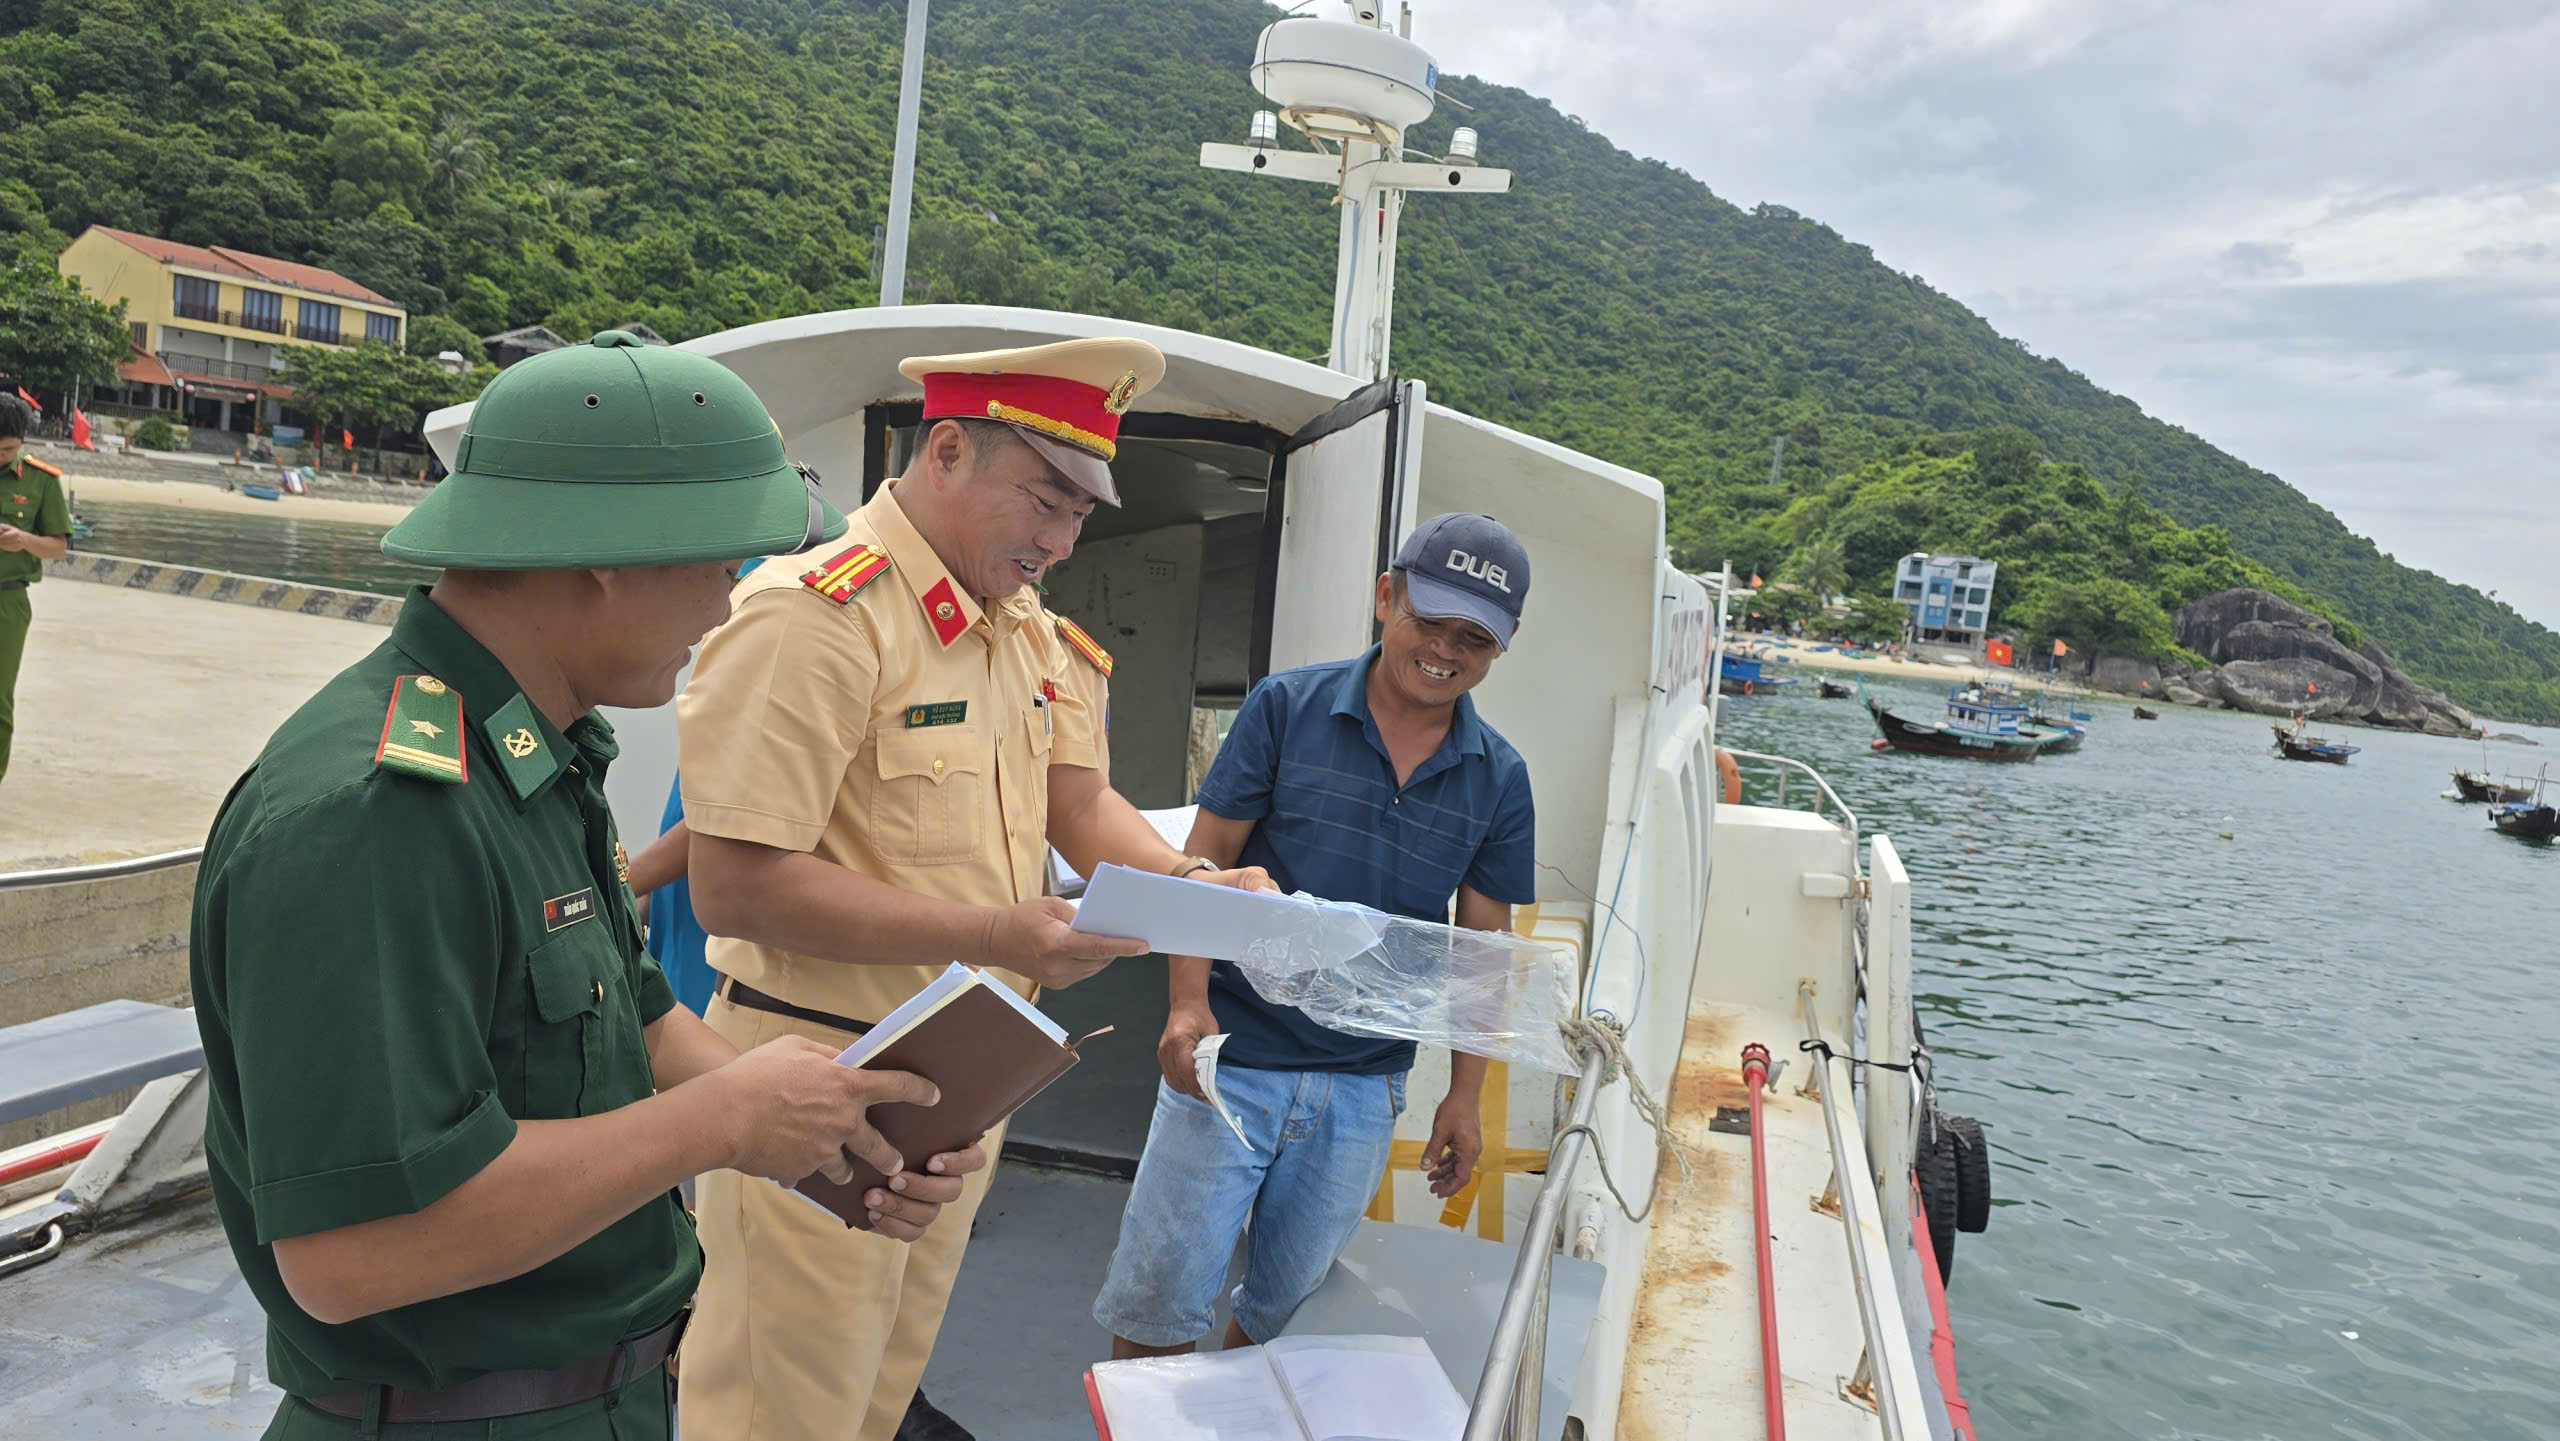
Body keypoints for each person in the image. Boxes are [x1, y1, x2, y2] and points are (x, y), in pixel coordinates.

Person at [189, 332, 989, 1440]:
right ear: (610, 557)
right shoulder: (375, 816)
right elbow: (349, 1253)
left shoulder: (538, 756)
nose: (723, 613)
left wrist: (827, 1141)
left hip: (603, 1397)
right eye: (719, 569)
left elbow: (640, 1025)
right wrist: (718, 1124)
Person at [671, 337, 1266, 1441]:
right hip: (816, 1078)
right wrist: (997, 929)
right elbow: (735, 887)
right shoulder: (816, 617)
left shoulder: (1029, 630)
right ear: (946, 450)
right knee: (776, 1409)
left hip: (966, 1082)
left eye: (1081, 513)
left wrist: (1200, 889)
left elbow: (1077, 803)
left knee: (874, 1400)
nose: (1060, 539)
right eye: (1043, 499)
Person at [1094, 512, 1539, 1359]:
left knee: (1284, 1324)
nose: (1444, 649)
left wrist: (1465, 1095)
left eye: (1473, 639)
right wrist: (1187, 1003)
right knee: (1157, 1308)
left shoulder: (1501, 777)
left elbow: (1481, 953)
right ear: (1385, 598)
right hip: (1232, 1068)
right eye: (1429, 621)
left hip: (1363, 1091)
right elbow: (1205, 861)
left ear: (1500, 648)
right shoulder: (1283, 707)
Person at [625, 598, 1113, 1018]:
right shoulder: (801, 599)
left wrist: (624, 883)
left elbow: (742, 811)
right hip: (726, 896)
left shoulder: (1025, 636)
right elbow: (734, 815)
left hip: (744, 888)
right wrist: (624, 885)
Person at [0, 395, 73, 786]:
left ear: (23, 442)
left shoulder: (41, 480)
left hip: (7, 601)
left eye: (7, 449)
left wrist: (24, 540)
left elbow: (58, 547)